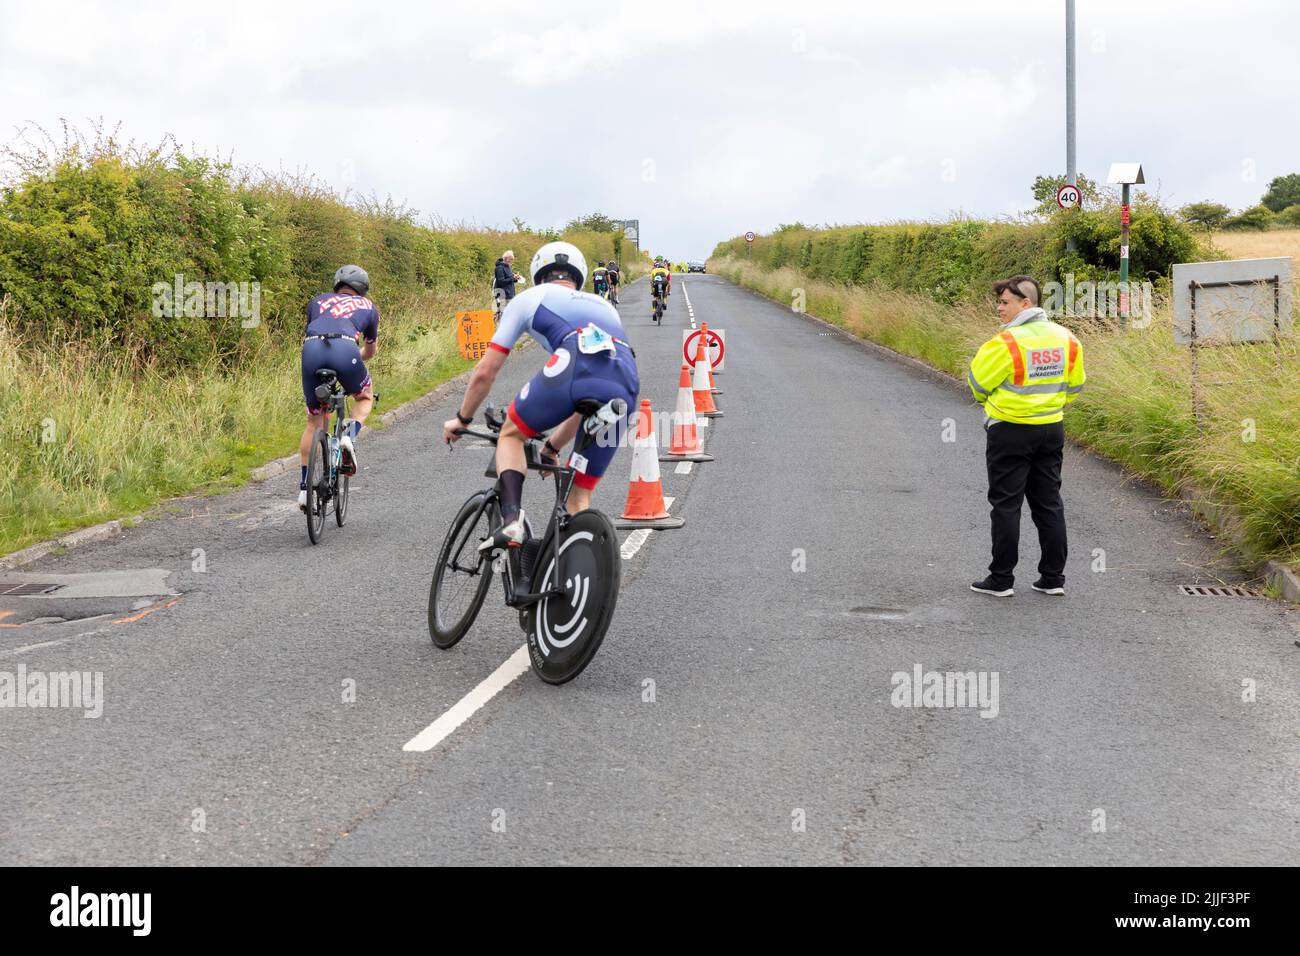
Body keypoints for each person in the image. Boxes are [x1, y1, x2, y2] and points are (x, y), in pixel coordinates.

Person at [443, 241, 640, 552]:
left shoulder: (529, 298)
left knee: (511, 434)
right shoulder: (604, 306)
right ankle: (576, 581)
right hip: (626, 380)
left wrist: (462, 418)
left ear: (538, 273)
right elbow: (584, 404)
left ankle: (511, 522)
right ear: (580, 276)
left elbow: (485, 371)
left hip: (574, 362)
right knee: (578, 495)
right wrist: (551, 448)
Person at [967, 275, 1086, 597]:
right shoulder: (1067, 338)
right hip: (1051, 428)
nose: (999, 308)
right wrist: (1050, 405)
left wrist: (993, 406)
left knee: (1006, 504)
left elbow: (977, 384)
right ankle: (1052, 579)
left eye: (1005, 302)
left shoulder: (1005, 343)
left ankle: (1001, 580)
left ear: (1026, 304)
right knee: (1049, 504)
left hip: (1010, 429)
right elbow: (1075, 385)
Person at [298, 265, 378, 510]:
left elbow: (313, 330)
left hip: (311, 350)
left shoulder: (317, 301)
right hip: (346, 350)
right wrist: (353, 360)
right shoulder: (369, 307)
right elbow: (370, 351)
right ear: (363, 289)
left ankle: (303, 491)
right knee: (365, 397)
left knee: (314, 421)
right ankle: (347, 438)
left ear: (336, 284)